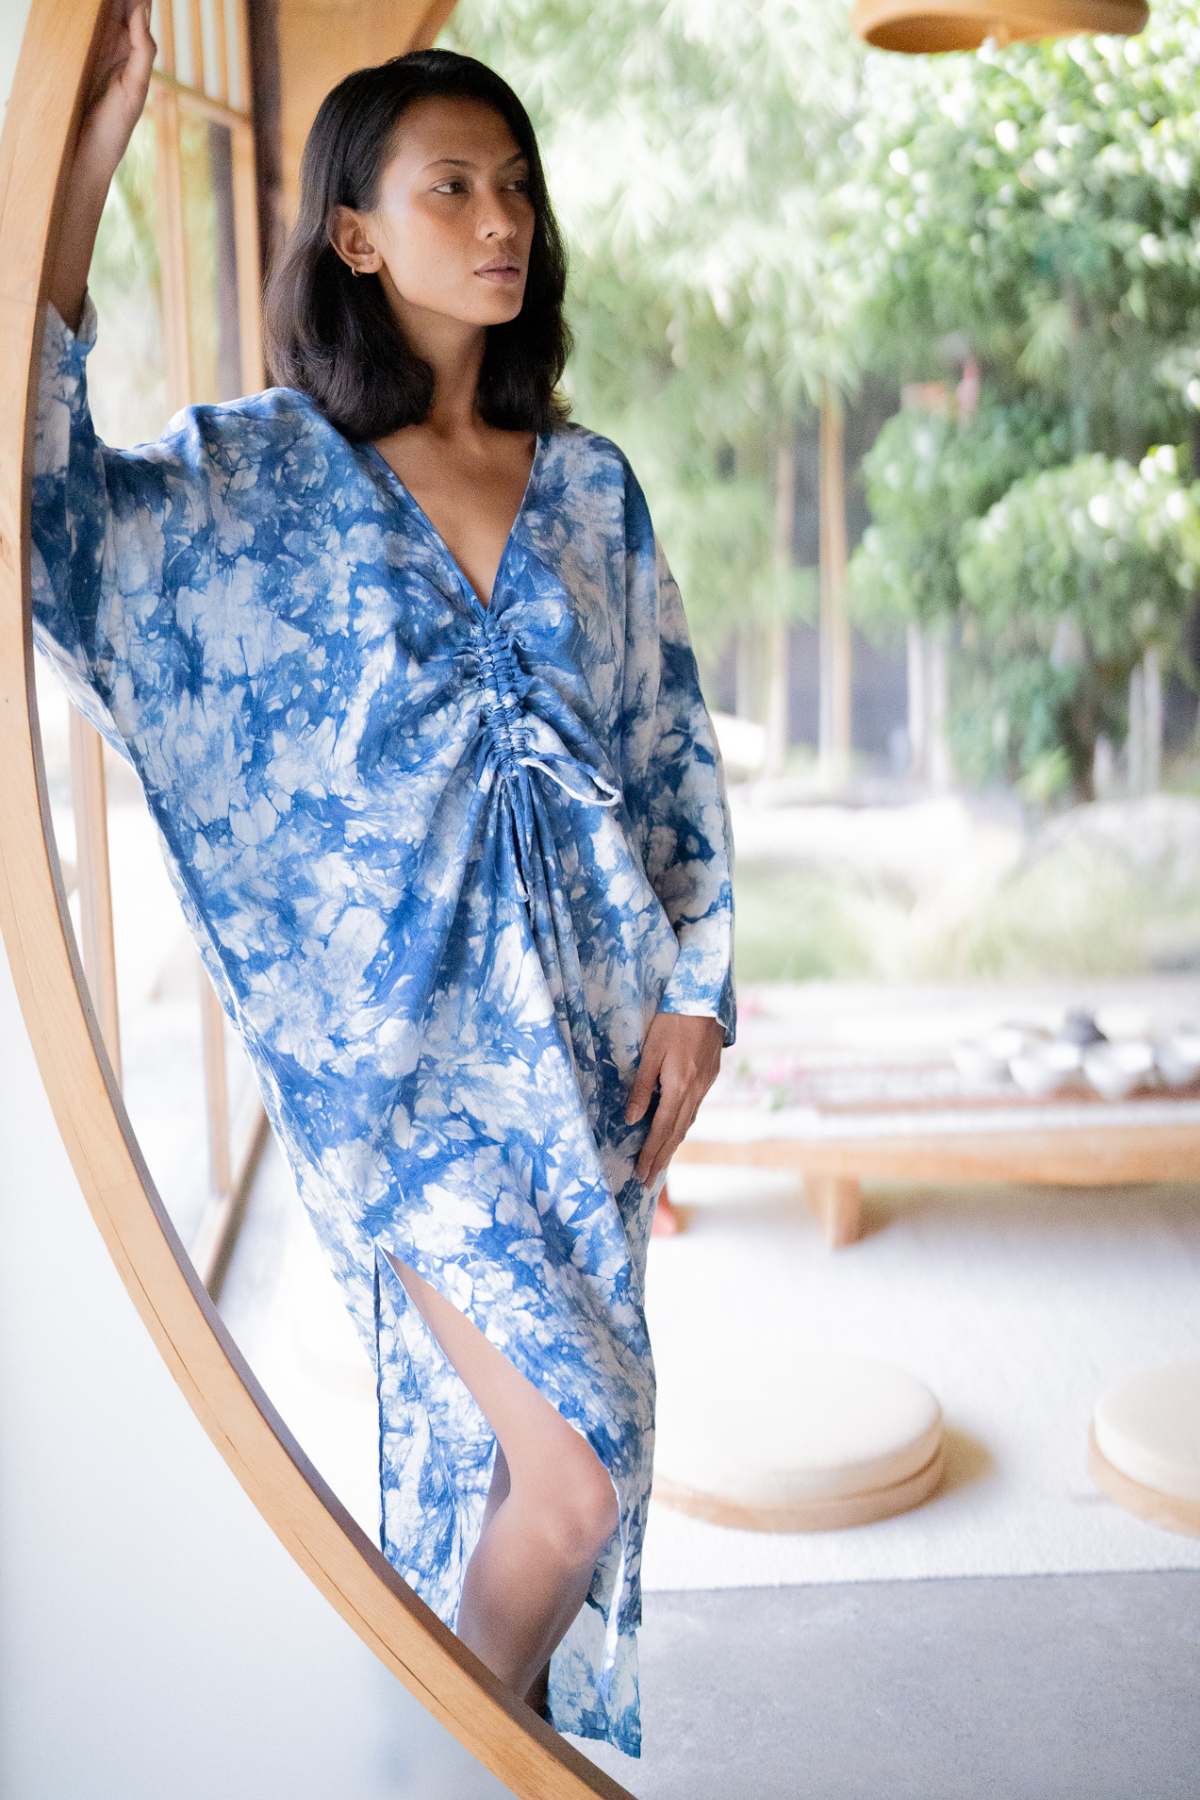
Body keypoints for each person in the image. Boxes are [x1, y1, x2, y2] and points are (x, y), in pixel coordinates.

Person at [31, 0, 736, 1759]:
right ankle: (431, 1772)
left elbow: (669, 757)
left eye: (517, 188)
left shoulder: (590, 491)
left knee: (512, 1479)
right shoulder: (263, 480)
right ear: (358, 231)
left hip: (581, 1062)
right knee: (577, 1484)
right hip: (401, 1088)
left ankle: (430, 1756)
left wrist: (700, 992)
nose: (504, 221)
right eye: (452, 189)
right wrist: (85, 164)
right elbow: (51, 522)